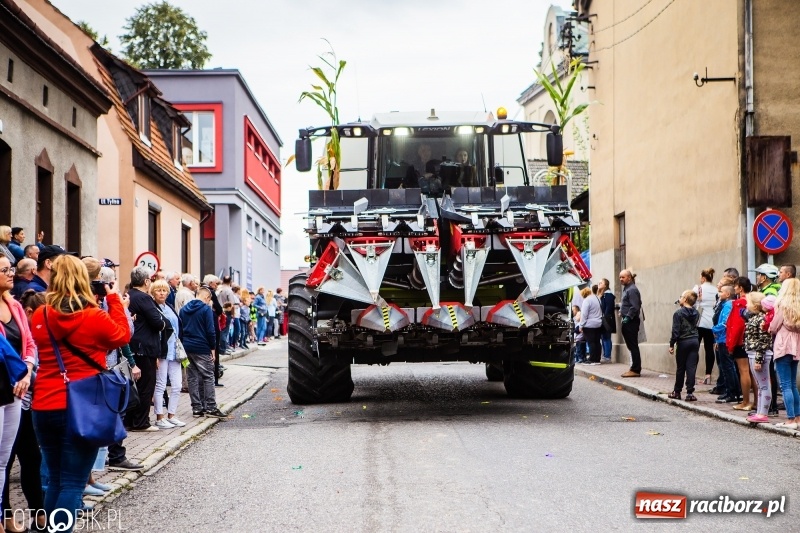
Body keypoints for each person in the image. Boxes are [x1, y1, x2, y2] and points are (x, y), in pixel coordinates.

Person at [30, 255, 130, 531]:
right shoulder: (93, 316)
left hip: (44, 404)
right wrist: (113, 301)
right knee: (73, 482)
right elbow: (122, 336)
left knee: (57, 480)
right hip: (82, 405)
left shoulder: (42, 314)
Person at [2, 290, 45, 533]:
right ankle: (6, 516)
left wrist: (28, 372)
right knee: (4, 463)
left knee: (32, 458)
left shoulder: (16, 310)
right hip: (6, 395)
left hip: (25, 402)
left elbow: (28, 348)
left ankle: (39, 515)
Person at [0, 258, 35, 533]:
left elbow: (29, 342)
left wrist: (27, 372)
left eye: (10, 269)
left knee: (4, 459)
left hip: (16, 390)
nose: (10, 274)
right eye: (4, 270)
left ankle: (3, 516)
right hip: (1, 387)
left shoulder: (14, 305)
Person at [125, 267, 167, 432]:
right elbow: (158, 322)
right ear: (146, 281)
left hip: (133, 346)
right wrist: (164, 324)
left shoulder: (128, 296)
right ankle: (141, 422)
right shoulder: (144, 298)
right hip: (145, 347)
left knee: (133, 386)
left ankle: (129, 420)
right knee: (145, 386)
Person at [179, 288, 225, 419]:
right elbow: (211, 331)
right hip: (202, 347)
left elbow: (180, 329)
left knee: (192, 378)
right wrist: (213, 349)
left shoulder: (183, 310)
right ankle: (211, 407)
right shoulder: (206, 310)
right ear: (207, 298)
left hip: (187, 347)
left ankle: (197, 408)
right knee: (208, 376)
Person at [150, 280, 185, 430]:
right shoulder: (153, 308)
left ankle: (172, 414)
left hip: (174, 351)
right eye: (158, 290)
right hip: (162, 351)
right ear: (153, 292)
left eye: (164, 290)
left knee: (177, 385)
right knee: (161, 384)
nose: (162, 293)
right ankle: (159, 417)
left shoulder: (169, 307)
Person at [769, 279, 800, 428]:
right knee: (793, 384)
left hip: (783, 346)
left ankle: (790, 419)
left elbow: (774, 326)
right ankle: (798, 418)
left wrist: (769, 327)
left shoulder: (783, 306)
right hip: (797, 348)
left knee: (785, 385)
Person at [727, 277, 757, 412]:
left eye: (735, 286)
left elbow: (736, 326)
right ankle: (756, 402)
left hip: (741, 341)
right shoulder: (753, 301)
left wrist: (731, 345)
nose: (734, 288)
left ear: (740, 287)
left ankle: (745, 402)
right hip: (751, 340)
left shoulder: (739, 303)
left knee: (744, 371)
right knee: (753, 373)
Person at [743, 292, 773, 423]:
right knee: (760, 385)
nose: (746, 304)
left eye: (748, 302)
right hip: (752, 353)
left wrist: (759, 359)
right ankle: (760, 412)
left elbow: (764, 341)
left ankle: (763, 413)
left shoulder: (762, 319)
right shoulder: (755, 318)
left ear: (755, 306)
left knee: (764, 385)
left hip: (758, 354)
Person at [668, 290, 700, 401]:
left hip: (683, 342)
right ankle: (690, 393)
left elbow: (675, 331)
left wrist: (671, 344)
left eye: (681, 296)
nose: (679, 298)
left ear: (685, 299)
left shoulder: (678, 313)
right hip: (695, 341)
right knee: (691, 367)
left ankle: (677, 391)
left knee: (681, 368)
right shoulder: (696, 313)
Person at [711, 285, 741, 404]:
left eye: (721, 292)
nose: (719, 293)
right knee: (727, 367)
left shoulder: (729, 305)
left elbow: (724, 323)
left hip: (725, 339)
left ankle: (732, 392)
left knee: (728, 367)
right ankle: (731, 391)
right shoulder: (725, 304)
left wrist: (714, 330)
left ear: (728, 294)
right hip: (722, 339)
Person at [693, 268, 718, 385]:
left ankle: (692, 374)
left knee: (694, 349)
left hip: (699, 322)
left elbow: (692, 303)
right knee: (709, 349)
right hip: (711, 323)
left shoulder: (698, 289)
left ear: (703, 278)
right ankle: (708, 376)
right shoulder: (716, 290)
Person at [618, 270, 643, 377]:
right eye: (619, 277)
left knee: (633, 345)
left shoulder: (632, 289)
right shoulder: (627, 289)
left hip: (631, 321)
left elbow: (635, 306)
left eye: (623, 277)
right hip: (627, 320)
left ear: (629, 277)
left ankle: (635, 369)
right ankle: (634, 367)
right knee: (631, 345)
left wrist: (628, 316)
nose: (620, 279)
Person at [578, 286, 603, 364]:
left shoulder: (587, 300)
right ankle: (597, 358)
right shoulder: (597, 298)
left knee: (591, 342)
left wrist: (581, 325)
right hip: (598, 323)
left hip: (589, 324)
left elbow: (584, 314)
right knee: (597, 341)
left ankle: (592, 359)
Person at [598, 278, 616, 363]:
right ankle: (605, 355)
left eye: (601, 283)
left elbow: (609, 308)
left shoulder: (608, 295)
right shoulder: (602, 295)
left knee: (606, 337)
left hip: (606, 320)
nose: (599, 284)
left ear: (605, 285)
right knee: (603, 337)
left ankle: (607, 356)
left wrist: (604, 318)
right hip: (602, 319)